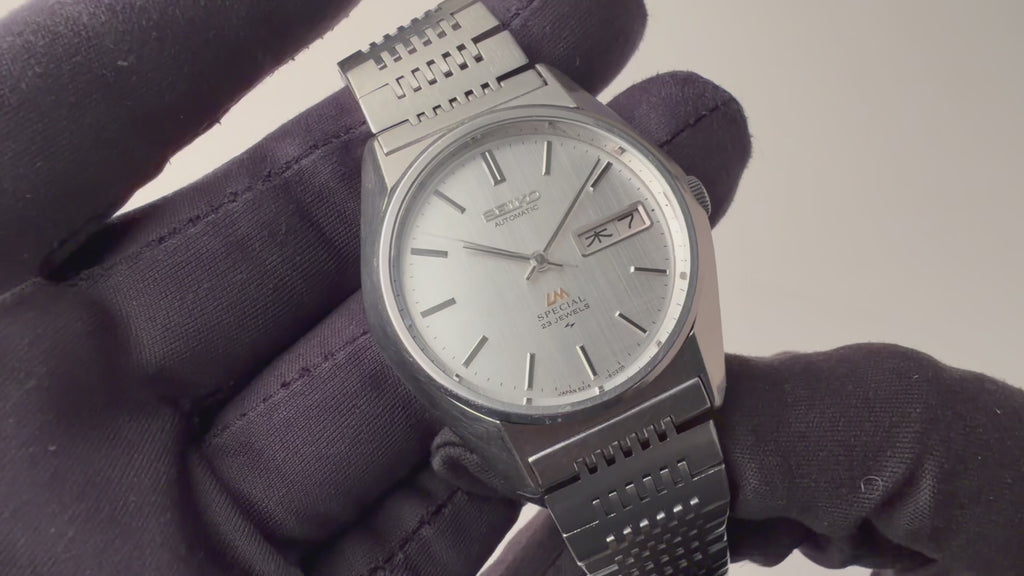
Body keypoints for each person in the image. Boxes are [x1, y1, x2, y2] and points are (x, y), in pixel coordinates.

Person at [0, 1, 1020, 575]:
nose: (536, 266)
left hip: (640, 363)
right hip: (544, 398)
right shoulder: (394, 271)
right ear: (395, 320)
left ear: (677, 202)